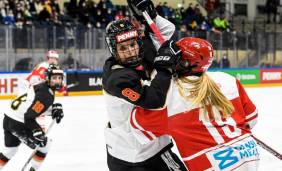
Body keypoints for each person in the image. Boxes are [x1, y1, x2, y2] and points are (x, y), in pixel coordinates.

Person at [131, 37, 259, 171]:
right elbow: (251, 119)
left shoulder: (170, 95)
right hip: (248, 154)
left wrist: (157, 76)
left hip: (211, 164)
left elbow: (138, 126)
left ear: (185, 63)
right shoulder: (227, 79)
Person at [102, 1, 187, 170]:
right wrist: (165, 68)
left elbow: (167, 31)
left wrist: (151, 16)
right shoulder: (117, 78)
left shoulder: (143, 51)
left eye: (132, 44)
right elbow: (154, 100)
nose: (130, 51)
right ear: (114, 50)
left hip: (154, 146)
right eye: (123, 48)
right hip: (129, 156)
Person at [0, 64, 65, 171]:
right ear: (48, 78)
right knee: (45, 145)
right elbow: (29, 116)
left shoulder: (40, 84)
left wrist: (52, 109)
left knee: (9, 150)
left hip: (8, 118)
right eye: (54, 78)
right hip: (20, 123)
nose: (57, 81)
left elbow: (32, 105)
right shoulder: (46, 95)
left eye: (59, 78)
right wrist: (37, 131)